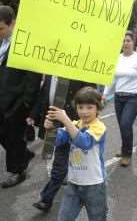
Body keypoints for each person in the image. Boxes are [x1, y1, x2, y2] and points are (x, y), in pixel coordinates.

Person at [30, 75, 97, 211]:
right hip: (53, 121)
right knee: (59, 162)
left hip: (74, 124)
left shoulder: (80, 72)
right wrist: (34, 115)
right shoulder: (50, 72)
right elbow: (43, 95)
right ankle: (48, 198)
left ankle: (51, 198)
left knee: (70, 163)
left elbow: (91, 96)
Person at [45, 86, 107, 221]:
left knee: (97, 218)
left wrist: (65, 120)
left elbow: (84, 142)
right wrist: (50, 128)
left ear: (98, 108)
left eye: (89, 107)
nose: (84, 112)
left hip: (94, 184)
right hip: (73, 182)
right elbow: (57, 140)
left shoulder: (99, 127)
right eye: (80, 107)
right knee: (64, 218)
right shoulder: (74, 124)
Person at [0, 5, 41, 188]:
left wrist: (25, 104)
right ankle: (24, 154)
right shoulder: (2, 42)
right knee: (4, 135)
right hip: (2, 99)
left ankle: (18, 171)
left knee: (14, 136)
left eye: (0, 28)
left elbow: (33, 77)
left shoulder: (25, 44)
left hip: (16, 103)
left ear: (12, 24)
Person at [103, 31, 137, 167]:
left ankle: (127, 154)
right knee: (124, 126)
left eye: (128, 40)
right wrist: (105, 94)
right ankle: (124, 148)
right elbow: (112, 79)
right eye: (123, 41)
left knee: (125, 124)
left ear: (133, 42)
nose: (125, 43)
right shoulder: (117, 58)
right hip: (119, 97)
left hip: (134, 97)